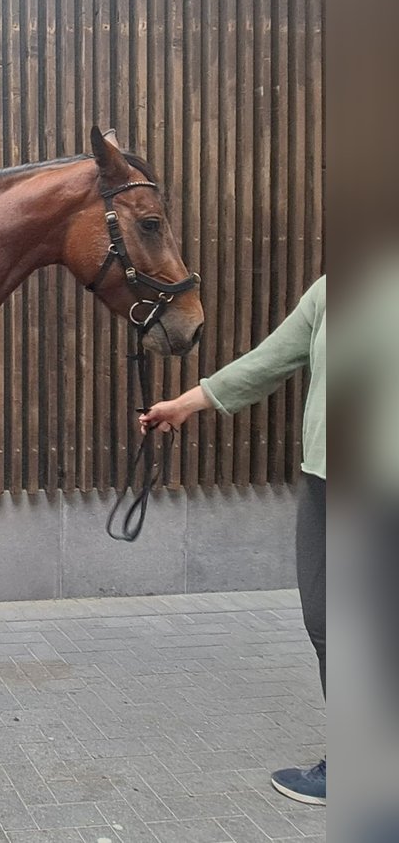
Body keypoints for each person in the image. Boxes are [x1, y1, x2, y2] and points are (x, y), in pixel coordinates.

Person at [140, 274, 326, 806]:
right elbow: (269, 360)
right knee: (327, 624)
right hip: (325, 480)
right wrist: (186, 403)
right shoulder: (331, 291)